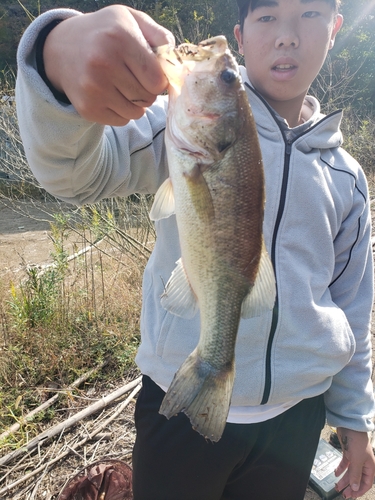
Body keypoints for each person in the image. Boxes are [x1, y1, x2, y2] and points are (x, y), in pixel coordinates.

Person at [15, 0, 375, 498]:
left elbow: (352, 305)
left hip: (297, 417)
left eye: (309, 15)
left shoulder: (348, 179)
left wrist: (354, 417)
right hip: (178, 405)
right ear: (241, 37)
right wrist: (54, 57)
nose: (287, 35)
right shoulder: (175, 125)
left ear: (336, 29)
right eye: (267, 16)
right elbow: (74, 174)